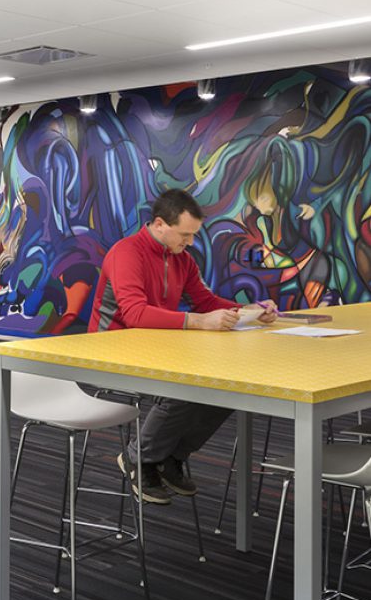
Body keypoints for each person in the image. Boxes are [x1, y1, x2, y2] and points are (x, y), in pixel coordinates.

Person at [88, 189, 277, 504]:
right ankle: (138, 458)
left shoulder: (183, 260)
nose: (189, 242)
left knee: (228, 385)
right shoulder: (126, 253)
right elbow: (134, 314)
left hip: (157, 348)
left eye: (193, 235)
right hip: (110, 352)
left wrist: (251, 310)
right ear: (160, 224)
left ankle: (169, 457)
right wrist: (200, 322)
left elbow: (205, 301)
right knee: (183, 385)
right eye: (185, 235)